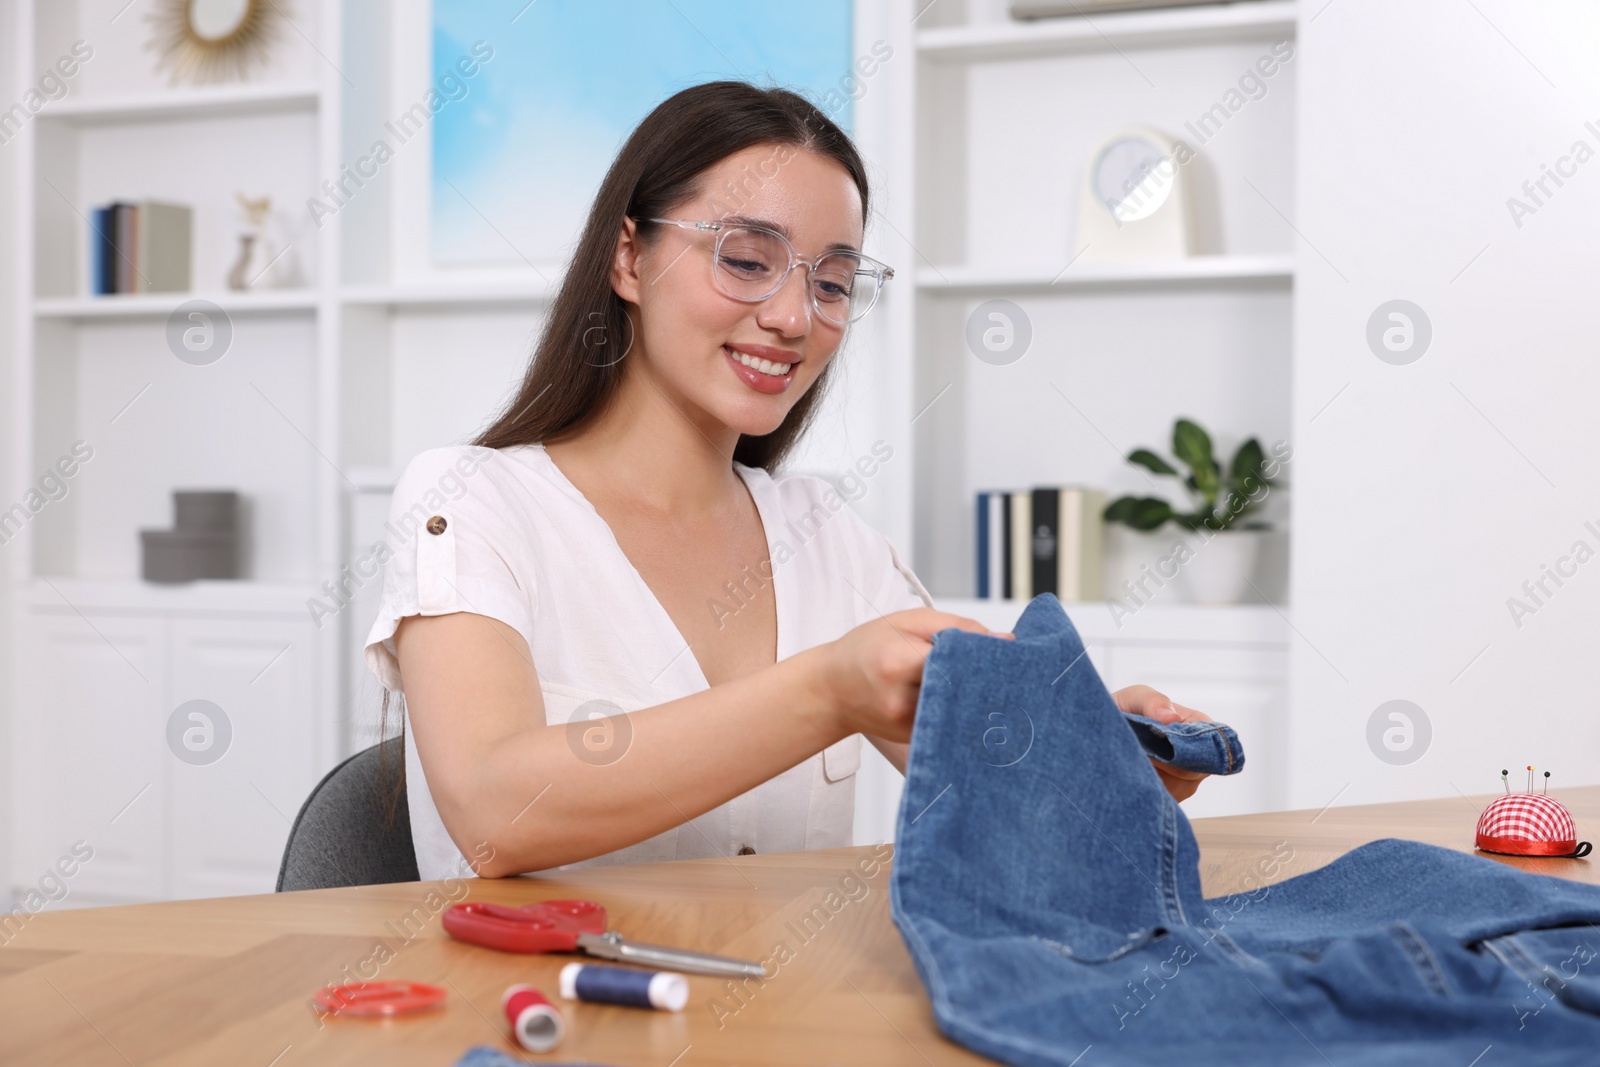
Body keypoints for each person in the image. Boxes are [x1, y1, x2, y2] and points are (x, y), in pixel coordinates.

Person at [363, 81, 1212, 881]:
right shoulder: (470, 503)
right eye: (744, 259)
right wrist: (826, 689)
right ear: (628, 258)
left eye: (834, 283)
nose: (794, 317)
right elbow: (492, 808)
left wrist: (1099, 762)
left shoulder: (828, 538)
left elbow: (1015, 806)